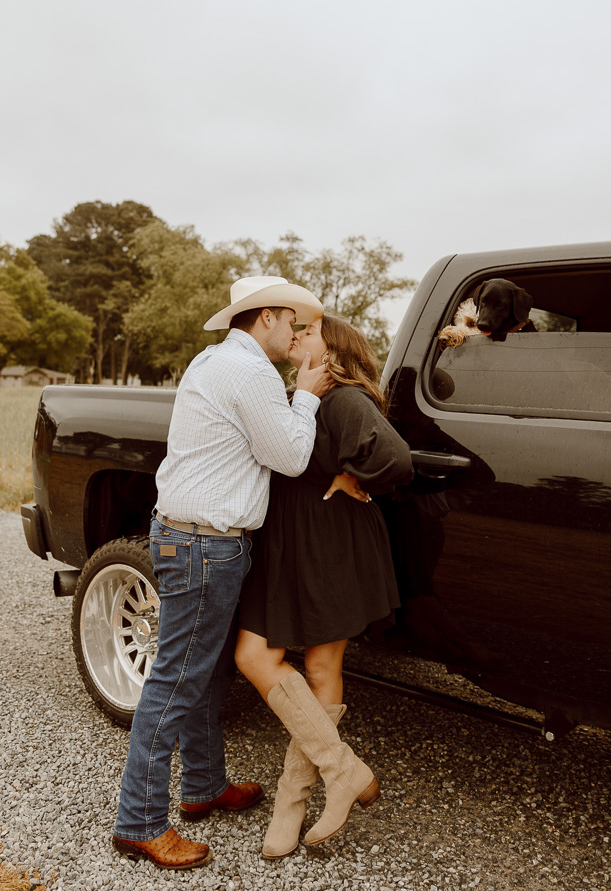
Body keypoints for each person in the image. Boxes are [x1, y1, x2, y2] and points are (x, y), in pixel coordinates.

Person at [112, 275, 332, 872]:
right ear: (264, 318)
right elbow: (288, 456)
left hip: (189, 537)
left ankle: (204, 787)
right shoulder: (252, 372)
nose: (293, 334)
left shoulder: (213, 360)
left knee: (205, 676)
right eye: (290, 322)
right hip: (205, 545)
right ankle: (139, 822)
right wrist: (307, 393)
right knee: (177, 682)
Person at [235, 314, 413, 859]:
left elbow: (397, 459)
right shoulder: (296, 395)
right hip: (287, 542)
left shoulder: (343, 397)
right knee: (253, 655)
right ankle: (345, 770)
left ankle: (293, 802)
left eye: (308, 330)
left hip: (331, 540)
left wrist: (355, 476)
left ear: (332, 349)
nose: (297, 334)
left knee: (319, 667)